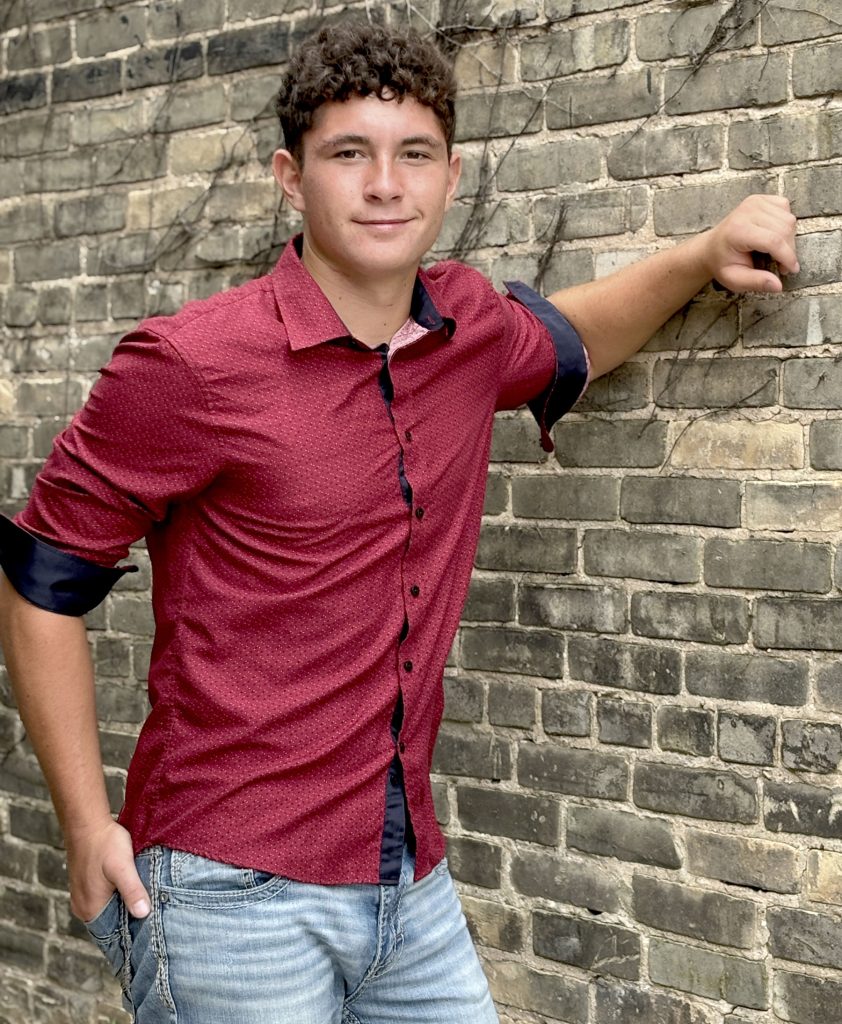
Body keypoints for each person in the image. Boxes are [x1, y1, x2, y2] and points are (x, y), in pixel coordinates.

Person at [0, 19, 798, 1024]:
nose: (385, 185)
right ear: (291, 177)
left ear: (449, 174)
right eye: (349, 154)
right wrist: (83, 825)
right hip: (225, 892)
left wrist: (699, 253)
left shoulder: (465, 329)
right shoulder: (190, 365)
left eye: (412, 154)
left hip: (406, 882)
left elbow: (570, 338)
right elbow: (39, 581)